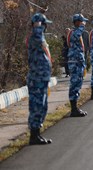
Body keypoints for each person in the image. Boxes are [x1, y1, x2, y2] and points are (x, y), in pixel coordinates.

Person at [26, 13, 53, 145]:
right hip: (36, 79)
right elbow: (40, 38)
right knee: (37, 106)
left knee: (42, 106)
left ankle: (37, 134)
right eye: (44, 24)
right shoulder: (36, 36)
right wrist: (38, 25)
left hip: (41, 78)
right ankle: (34, 136)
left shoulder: (38, 37)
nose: (45, 26)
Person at [67, 13, 88, 117]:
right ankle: (74, 109)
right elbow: (79, 32)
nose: (84, 23)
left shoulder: (75, 32)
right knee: (75, 84)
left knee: (78, 84)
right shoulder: (74, 32)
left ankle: (75, 108)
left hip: (78, 61)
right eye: (82, 21)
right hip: (75, 62)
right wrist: (82, 25)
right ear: (77, 22)